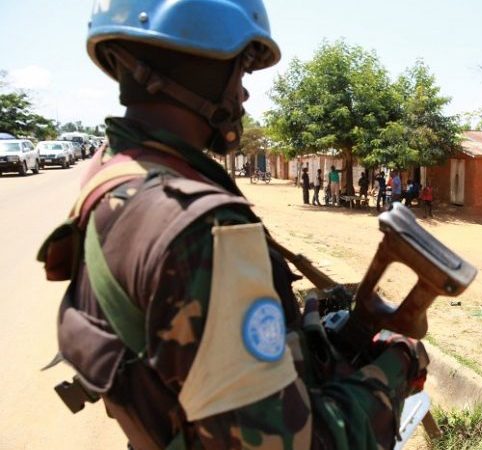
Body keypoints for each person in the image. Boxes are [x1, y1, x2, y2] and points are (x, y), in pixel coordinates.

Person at [37, 2, 428, 448]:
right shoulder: (202, 229)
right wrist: (397, 366)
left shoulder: (111, 177)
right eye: (239, 71)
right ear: (197, 64)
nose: (242, 95)